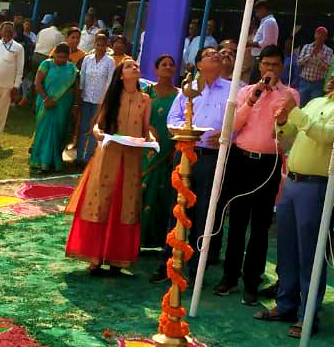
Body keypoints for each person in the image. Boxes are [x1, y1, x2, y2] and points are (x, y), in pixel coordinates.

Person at [256, 64, 334, 337]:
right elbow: (291, 137)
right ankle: (286, 304)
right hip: (294, 181)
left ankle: (307, 315)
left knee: (310, 251)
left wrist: (294, 113)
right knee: (287, 248)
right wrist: (284, 122)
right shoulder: (317, 101)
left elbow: (328, 135)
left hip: (317, 185)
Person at [216, 45, 300, 303]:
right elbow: (232, 126)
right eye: (266, 64)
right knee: (237, 221)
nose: (269, 70)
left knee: (261, 225)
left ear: (281, 68)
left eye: (275, 65)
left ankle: (252, 280)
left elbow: (290, 132)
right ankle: (230, 276)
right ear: (259, 65)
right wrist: (254, 97)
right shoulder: (245, 91)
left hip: (269, 163)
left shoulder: (290, 95)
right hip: (241, 160)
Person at [66, 59, 154, 274]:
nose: (134, 68)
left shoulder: (145, 100)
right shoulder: (113, 96)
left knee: (125, 204)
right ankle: (95, 257)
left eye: (136, 66)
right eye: (128, 66)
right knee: (101, 201)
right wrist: (98, 133)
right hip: (108, 154)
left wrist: (152, 140)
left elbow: (145, 129)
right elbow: (99, 123)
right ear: (121, 75)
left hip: (132, 157)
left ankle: (117, 259)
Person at [166, 46, 232, 281]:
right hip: (185, 153)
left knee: (205, 212)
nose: (216, 55)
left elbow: (239, 123)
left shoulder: (234, 90)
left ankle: (196, 267)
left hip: (212, 158)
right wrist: (185, 131)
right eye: (208, 54)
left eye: (218, 53)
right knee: (178, 208)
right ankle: (170, 261)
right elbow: (172, 118)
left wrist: (228, 134)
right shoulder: (189, 89)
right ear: (199, 65)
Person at [142, 54, 179, 278]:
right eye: (163, 64)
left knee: (164, 192)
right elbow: (139, 116)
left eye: (171, 65)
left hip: (169, 149)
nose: (167, 67)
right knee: (142, 189)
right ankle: (136, 239)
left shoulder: (180, 95)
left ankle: (159, 241)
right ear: (156, 70)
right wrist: (148, 132)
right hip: (147, 147)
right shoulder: (147, 93)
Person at [31, 42, 78, 172]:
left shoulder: (72, 68)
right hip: (45, 102)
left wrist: (75, 104)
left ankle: (54, 160)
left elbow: (75, 88)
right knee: (43, 131)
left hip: (63, 104)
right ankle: (40, 161)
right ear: (54, 54)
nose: (61, 60)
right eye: (58, 57)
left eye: (64, 57)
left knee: (59, 132)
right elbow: (38, 83)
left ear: (68, 56)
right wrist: (46, 99)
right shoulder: (46, 64)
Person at [76, 31, 115, 163]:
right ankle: (79, 157)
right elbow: (82, 77)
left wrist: (105, 101)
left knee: (94, 128)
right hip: (86, 98)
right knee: (83, 127)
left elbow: (110, 82)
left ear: (107, 46)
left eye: (103, 45)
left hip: (100, 100)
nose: (100, 47)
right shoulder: (87, 59)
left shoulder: (110, 61)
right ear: (94, 44)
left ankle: (88, 158)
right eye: (98, 44)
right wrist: (79, 96)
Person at [296, 26, 333, 104]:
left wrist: (318, 57)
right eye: (318, 33)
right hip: (304, 82)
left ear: (325, 37)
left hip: (317, 84)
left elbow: (327, 67)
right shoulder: (307, 47)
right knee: (301, 105)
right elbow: (299, 62)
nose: (320, 36)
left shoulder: (328, 51)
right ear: (315, 35)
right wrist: (310, 54)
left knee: (314, 105)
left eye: (322, 34)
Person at [247, 0, 279, 70]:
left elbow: (267, 43)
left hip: (263, 57)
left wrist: (249, 44)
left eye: (257, 12)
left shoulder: (269, 22)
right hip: (259, 57)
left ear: (263, 9)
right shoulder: (266, 22)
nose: (256, 15)